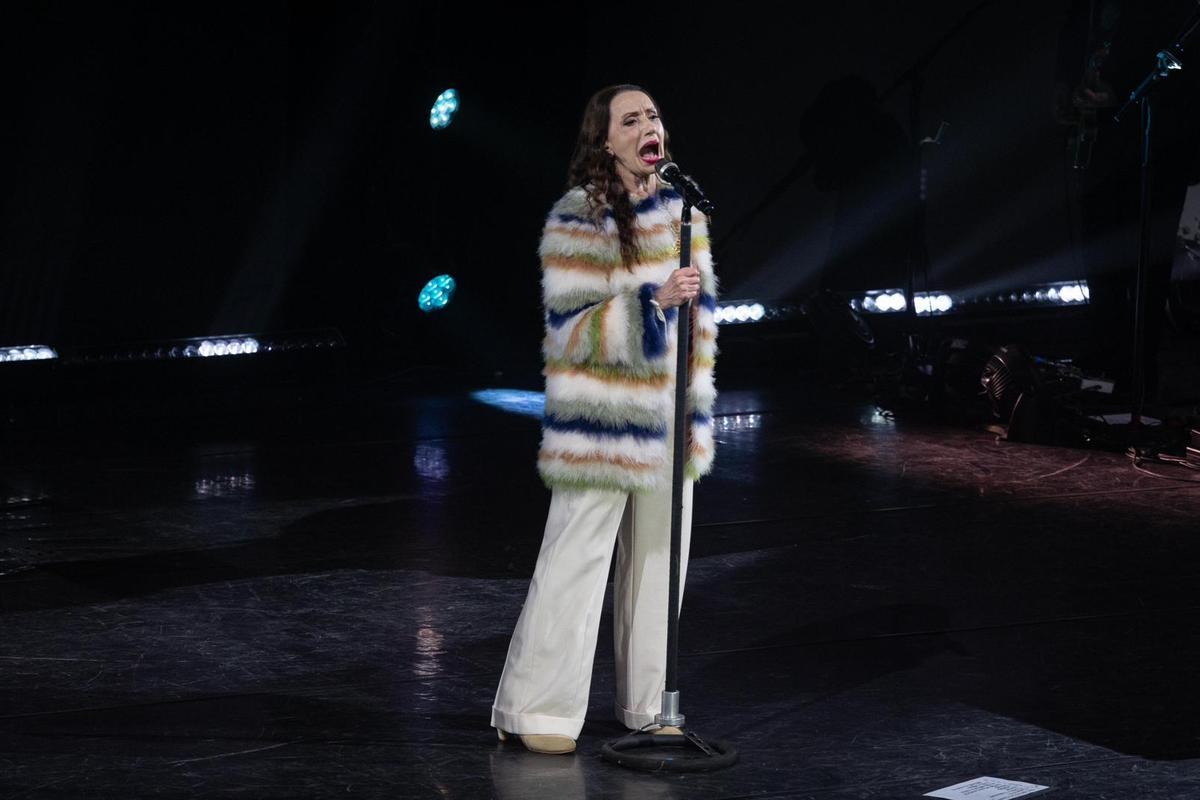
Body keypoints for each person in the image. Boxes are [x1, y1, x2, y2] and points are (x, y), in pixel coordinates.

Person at [490, 84, 719, 754]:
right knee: (575, 561)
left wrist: (691, 409)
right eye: (632, 118)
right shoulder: (577, 218)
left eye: (654, 114)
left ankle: (648, 704)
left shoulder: (685, 215)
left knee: (657, 562)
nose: (649, 124)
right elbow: (569, 330)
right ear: (606, 141)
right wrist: (650, 303)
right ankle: (535, 709)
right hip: (602, 422)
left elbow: (698, 334)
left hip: (666, 420)